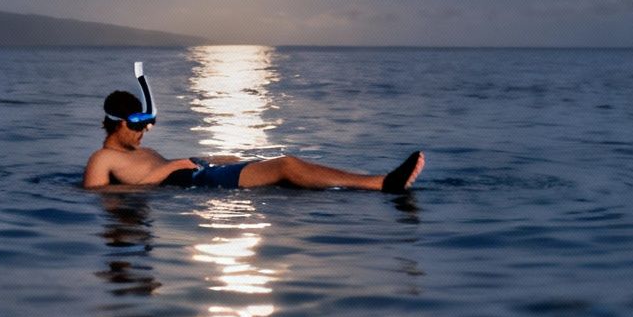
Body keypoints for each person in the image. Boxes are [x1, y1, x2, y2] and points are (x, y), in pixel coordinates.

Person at [82, 89, 424, 192]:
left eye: (147, 124)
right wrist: (168, 169)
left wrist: (213, 157)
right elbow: (97, 195)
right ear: (118, 124)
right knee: (286, 165)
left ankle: (371, 183)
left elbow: (170, 166)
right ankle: (380, 183)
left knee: (283, 170)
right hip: (196, 183)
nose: (144, 131)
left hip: (202, 173)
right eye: (138, 125)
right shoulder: (102, 158)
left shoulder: (139, 150)